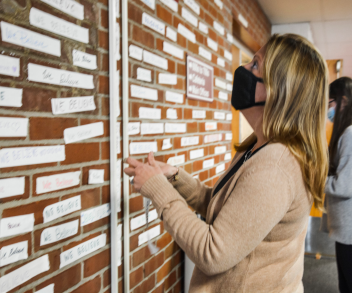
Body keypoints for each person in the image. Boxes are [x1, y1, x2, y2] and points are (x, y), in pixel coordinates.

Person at [125, 34, 329, 292]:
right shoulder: (259, 147)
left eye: (255, 65)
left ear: (277, 90)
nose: (242, 69)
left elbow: (212, 252)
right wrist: (174, 177)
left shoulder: (275, 167)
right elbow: (225, 210)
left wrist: (157, 189)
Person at [321, 77, 352, 293]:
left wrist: (315, 178)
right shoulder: (345, 134)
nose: (328, 109)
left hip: (349, 229)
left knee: (348, 282)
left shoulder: (349, 135)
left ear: (343, 101)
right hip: (344, 228)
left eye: (330, 103)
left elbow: (345, 186)